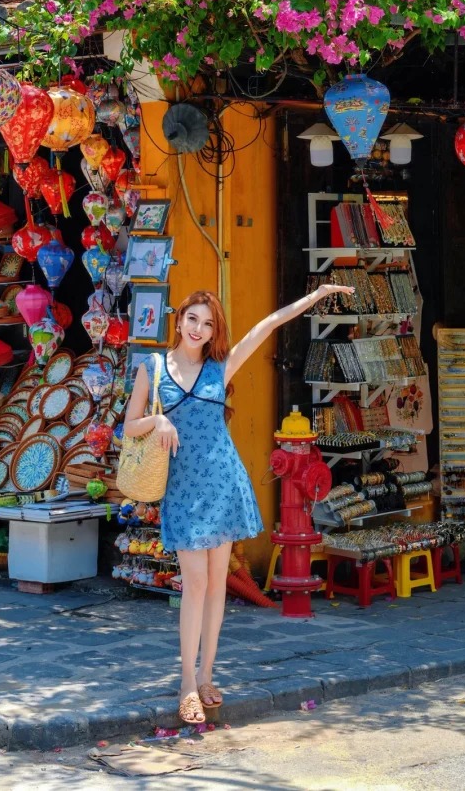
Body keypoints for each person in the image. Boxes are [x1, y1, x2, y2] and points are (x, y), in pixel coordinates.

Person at [123, 282, 354, 727]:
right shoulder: (152, 367)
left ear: (214, 332)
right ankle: (186, 685)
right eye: (192, 318)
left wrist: (314, 296)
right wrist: (159, 421)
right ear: (179, 320)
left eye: (208, 324)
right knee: (194, 583)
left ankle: (207, 676)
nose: (198, 328)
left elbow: (267, 326)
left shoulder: (220, 367)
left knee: (215, 584)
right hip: (183, 489)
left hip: (224, 485)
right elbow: (129, 425)